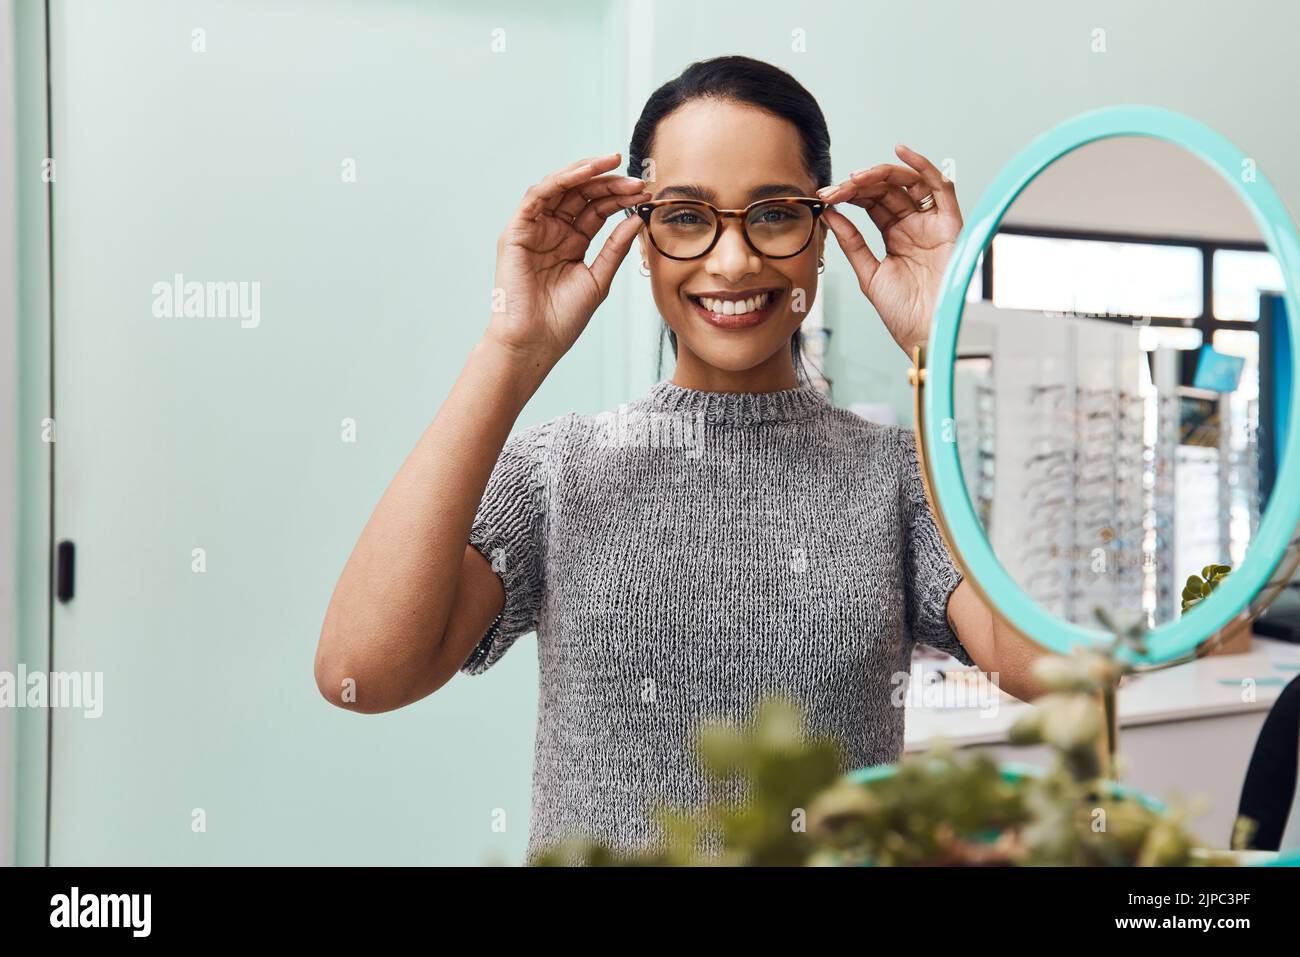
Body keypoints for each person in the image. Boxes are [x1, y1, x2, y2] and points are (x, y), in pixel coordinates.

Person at [315, 55, 1045, 862]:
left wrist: (944, 349)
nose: (731, 261)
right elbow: (363, 671)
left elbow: (1046, 668)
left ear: (825, 236)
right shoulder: (562, 469)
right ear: (640, 240)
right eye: (688, 216)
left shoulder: (900, 475)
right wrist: (511, 348)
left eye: (772, 214)